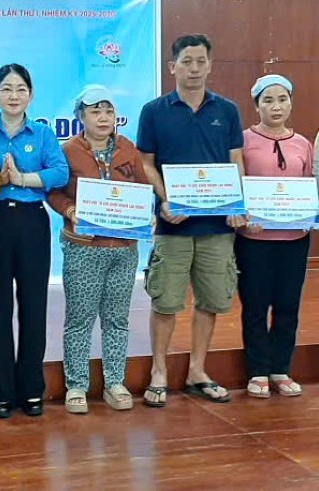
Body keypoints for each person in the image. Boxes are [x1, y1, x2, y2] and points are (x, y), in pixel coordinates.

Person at [137, 34, 246, 407]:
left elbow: (235, 161)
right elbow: (146, 163)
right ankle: (159, 371)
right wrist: (165, 200)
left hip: (217, 228)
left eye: (201, 61)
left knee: (211, 301)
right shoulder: (154, 111)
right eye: (187, 61)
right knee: (165, 302)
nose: (195, 68)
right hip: (173, 225)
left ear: (210, 65)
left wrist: (237, 202)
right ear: (173, 67)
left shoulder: (227, 111)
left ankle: (198, 370)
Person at [49, 85, 149, 414]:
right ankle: (76, 385)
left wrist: (144, 209)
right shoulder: (68, 151)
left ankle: (114, 382)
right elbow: (54, 193)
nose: (103, 117)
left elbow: (144, 187)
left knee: (117, 319)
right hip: (84, 248)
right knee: (80, 319)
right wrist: (70, 211)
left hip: (123, 248)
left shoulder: (128, 149)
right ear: (81, 116)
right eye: (95, 111)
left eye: (108, 111)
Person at [0, 64, 68, 419]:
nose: (13, 95)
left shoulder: (44, 134)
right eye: (6, 89)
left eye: (20, 89)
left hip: (32, 222)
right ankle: (1, 393)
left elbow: (60, 172)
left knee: (33, 307)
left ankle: (32, 389)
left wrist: (23, 177)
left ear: (30, 95)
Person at [237, 75, 313, 398]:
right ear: (256, 106)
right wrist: (245, 218)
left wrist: (310, 214)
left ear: (291, 102)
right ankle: (257, 371)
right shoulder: (242, 141)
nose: (276, 106)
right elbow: (236, 186)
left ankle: (280, 367)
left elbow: (309, 185)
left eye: (282, 99)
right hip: (254, 239)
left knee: (288, 305)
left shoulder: (303, 144)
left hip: (295, 238)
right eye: (268, 100)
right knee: (254, 305)